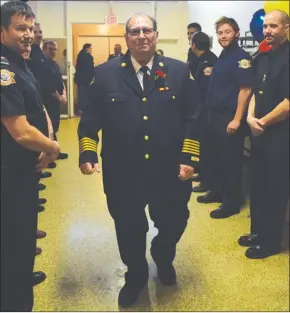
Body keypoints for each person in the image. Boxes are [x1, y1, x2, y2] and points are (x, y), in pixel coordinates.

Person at [78, 12, 200, 308]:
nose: (142, 36)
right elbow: (91, 116)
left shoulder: (179, 71)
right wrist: (88, 151)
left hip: (169, 170)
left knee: (174, 220)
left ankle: (162, 254)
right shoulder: (105, 73)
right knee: (128, 227)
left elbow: (193, 118)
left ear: (156, 35)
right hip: (123, 171)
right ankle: (136, 274)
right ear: (127, 38)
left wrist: (189, 156)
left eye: (147, 30)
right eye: (135, 31)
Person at [0, 1, 60, 311]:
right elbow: (20, 130)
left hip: (26, 170)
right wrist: (52, 148)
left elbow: (37, 106)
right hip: (11, 174)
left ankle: (20, 281)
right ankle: (15, 301)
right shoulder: (3, 70)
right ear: (2, 31)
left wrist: (47, 138)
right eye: (19, 28)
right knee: (14, 242)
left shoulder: (21, 62)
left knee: (23, 240)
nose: (26, 35)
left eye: (29, 28)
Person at [238, 10, 289, 259]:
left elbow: (288, 102)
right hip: (259, 130)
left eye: (274, 26)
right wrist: (249, 117)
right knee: (257, 184)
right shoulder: (263, 57)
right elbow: (255, 93)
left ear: (286, 28)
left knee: (274, 188)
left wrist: (264, 122)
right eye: (266, 26)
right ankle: (257, 232)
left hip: (280, 135)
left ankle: (271, 242)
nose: (268, 31)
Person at [197, 17, 253, 219]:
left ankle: (231, 202)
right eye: (220, 33)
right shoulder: (224, 55)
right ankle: (218, 191)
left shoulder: (241, 58)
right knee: (217, 157)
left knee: (230, 161)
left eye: (227, 32)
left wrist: (237, 119)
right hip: (215, 115)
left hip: (230, 116)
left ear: (236, 33)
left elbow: (245, 90)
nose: (223, 36)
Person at [190, 32, 218, 193]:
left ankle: (207, 181)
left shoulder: (209, 61)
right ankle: (203, 173)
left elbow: (207, 88)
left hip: (207, 110)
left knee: (207, 147)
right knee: (202, 145)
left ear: (194, 45)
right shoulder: (203, 59)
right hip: (202, 108)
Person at [42, 40, 68, 159]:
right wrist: (59, 97)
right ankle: (48, 154)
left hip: (56, 101)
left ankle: (54, 151)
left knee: (54, 126)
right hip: (48, 100)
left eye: (54, 49)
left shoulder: (54, 64)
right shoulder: (42, 65)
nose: (52, 51)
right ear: (44, 49)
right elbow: (49, 84)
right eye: (50, 48)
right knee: (48, 127)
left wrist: (63, 95)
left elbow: (59, 81)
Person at [74, 43, 94, 113]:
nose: (91, 50)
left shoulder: (80, 55)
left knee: (81, 94)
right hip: (85, 79)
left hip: (80, 79)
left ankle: (81, 108)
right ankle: (83, 108)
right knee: (84, 94)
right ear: (87, 48)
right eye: (90, 48)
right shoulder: (88, 57)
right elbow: (90, 68)